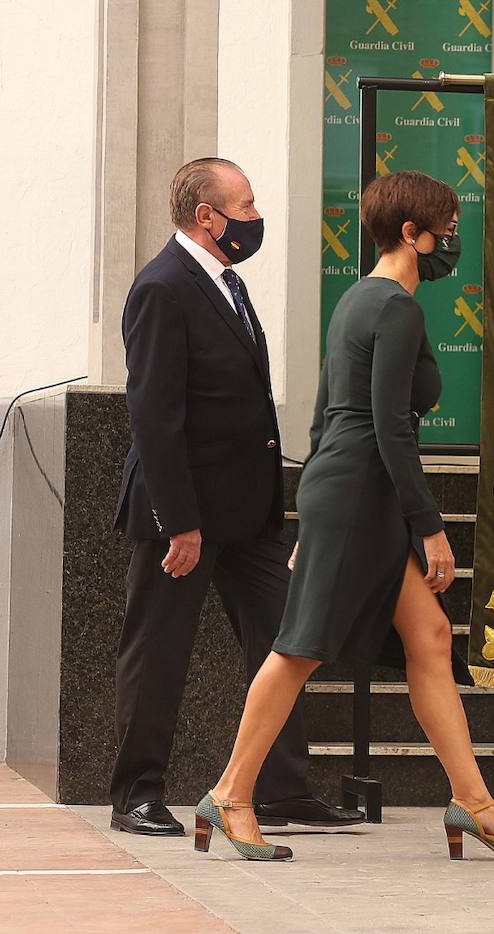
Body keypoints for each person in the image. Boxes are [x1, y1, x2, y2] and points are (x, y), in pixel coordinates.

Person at [195, 170, 494, 862]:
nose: (451, 241)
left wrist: (307, 519)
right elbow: (390, 427)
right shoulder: (396, 309)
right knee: (302, 646)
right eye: (443, 231)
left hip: (349, 491)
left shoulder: (356, 299)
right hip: (364, 492)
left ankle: (473, 803)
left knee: (433, 637)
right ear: (410, 235)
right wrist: (429, 525)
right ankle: (232, 793)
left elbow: (328, 417)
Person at [111, 158, 362, 835]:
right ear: (207, 216)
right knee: (159, 652)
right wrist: (180, 522)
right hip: (184, 514)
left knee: (286, 638)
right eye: (245, 205)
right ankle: (136, 795)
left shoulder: (227, 283)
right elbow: (154, 417)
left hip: (248, 513)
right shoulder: (163, 287)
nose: (254, 217)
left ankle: (278, 789)